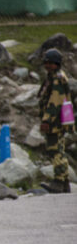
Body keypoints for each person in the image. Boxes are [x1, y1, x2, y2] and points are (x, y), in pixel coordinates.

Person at [38, 48, 73, 193]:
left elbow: (55, 101)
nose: (47, 65)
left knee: (55, 150)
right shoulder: (54, 76)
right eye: (46, 62)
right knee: (58, 148)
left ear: (56, 64)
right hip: (57, 119)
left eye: (50, 63)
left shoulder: (57, 78)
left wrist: (47, 120)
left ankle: (59, 182)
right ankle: (64, 182)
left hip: (55, 121)